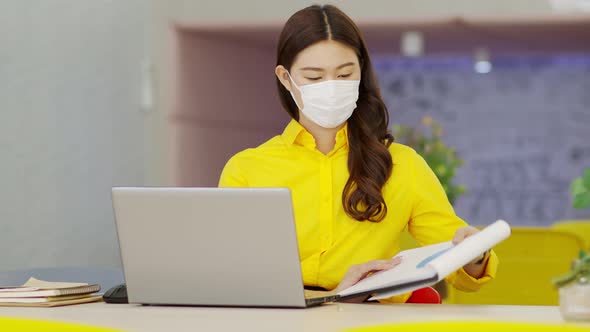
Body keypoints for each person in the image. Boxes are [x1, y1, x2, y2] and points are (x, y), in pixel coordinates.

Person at [219, 4, 497, 303]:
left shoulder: (402, 165)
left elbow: (463, 272)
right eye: (314, 77)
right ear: (286, 79)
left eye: (344, 73)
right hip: (281, 318)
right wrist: (333, 296)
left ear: (360, 71)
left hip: (373, 319)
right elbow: (232, 276)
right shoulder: (247, 169)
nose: (331, 87)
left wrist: (474, 254)